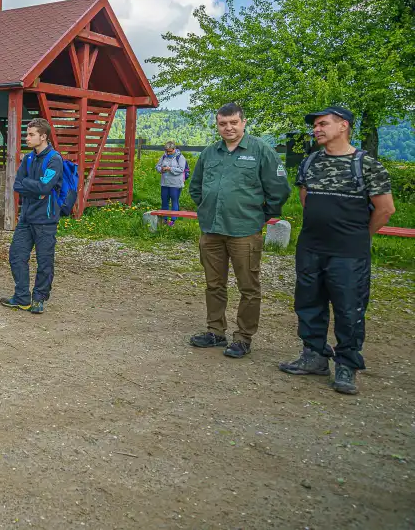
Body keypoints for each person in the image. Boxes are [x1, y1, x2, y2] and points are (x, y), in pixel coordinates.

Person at [278, 106, 395, 395]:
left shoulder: (367, 165)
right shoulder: (310, 162)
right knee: (308, 303)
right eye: (315, 125)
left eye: (322, 124)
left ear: (343, 126)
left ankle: (346, 364)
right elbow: (306, 199)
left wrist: (359, 236)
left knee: (349, 308)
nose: (316, 129)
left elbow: (385, 210)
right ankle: (314, 355)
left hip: (349, 252)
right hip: (311, 247)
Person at [187, 103, 291, 358]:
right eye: (223, 123)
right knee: (214, 284)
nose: (228, 128)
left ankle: (243, 337)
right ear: (217, 125)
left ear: (243, 122)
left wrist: (261, 216)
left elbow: (279, 189)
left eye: (233, 122)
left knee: (248, 287)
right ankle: (215, 331)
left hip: (244, 230)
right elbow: (196, 187)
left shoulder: (260, 151)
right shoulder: (210, 153)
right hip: (212, 230)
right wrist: (207, 208)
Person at [0, 118, 64, 314]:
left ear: (43, 137)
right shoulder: (28, 159)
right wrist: (35, 188)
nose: (27, 138)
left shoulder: (54, 159)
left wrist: (30, 184)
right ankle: (22, 298)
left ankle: (38, 299)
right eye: (27, 134)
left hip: (46, 220)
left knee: (44, 261)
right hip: (26, 219)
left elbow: (45, 187)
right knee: (16, 256)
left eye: (31, 134)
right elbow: (17, 185)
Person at [156, 141, 187, 225]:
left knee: (174, 201)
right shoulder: (164, 156)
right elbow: (157, 166)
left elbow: (181, 169)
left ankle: (173, 221)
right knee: (164, 201)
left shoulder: (180, 157)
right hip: (165, 183)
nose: (168, 153)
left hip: (176, 184)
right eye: (167, 151)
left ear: (174, 149)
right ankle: (164, 220)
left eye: (170, 151)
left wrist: (170, 169)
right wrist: (161, 169)